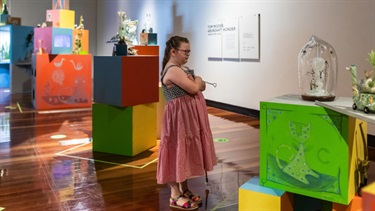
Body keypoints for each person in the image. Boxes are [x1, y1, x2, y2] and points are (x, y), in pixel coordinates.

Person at [157, 35, 217, 210]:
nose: (188, 55)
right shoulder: (174, 70)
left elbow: (201, 86)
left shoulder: (180, 69)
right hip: (178, 118)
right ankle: (174, 195)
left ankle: (184, 189)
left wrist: (197, 81)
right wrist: (197, 79)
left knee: (182, 151)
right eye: (185, 51)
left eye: (189, 51)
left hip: (184, 117)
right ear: (173, 51)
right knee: (176, 151)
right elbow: (195, 87)